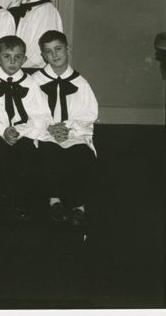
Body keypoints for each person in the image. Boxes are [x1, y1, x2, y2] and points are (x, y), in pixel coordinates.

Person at [31, 31, 98, 226]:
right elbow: (31, 109)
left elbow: (88, 113)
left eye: (58, 49)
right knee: (49, 153)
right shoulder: (35, 81)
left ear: (67, 49)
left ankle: (79, 205)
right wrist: (49, 127)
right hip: (45, 132)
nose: (54, 55)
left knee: (81, 155)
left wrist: (68, 127)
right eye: (48, 51)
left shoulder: (80, 83)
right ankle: (54, 200)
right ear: (43, 56)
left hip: (73, 132)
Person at [0, 35, 49, 220]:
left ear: (25, 59)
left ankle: (20, 201)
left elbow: (40, 114)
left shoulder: (31, 83)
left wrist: (21, 131)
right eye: (7, 56)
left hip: (23, 131)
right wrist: (3, 130)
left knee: (27, 155)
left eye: (18, 57)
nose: (12, 61)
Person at [10, 0, 63, 69]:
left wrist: (15, 65)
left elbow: (39, 53)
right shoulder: (15, 6)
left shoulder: (46, 11)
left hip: (32, 70)